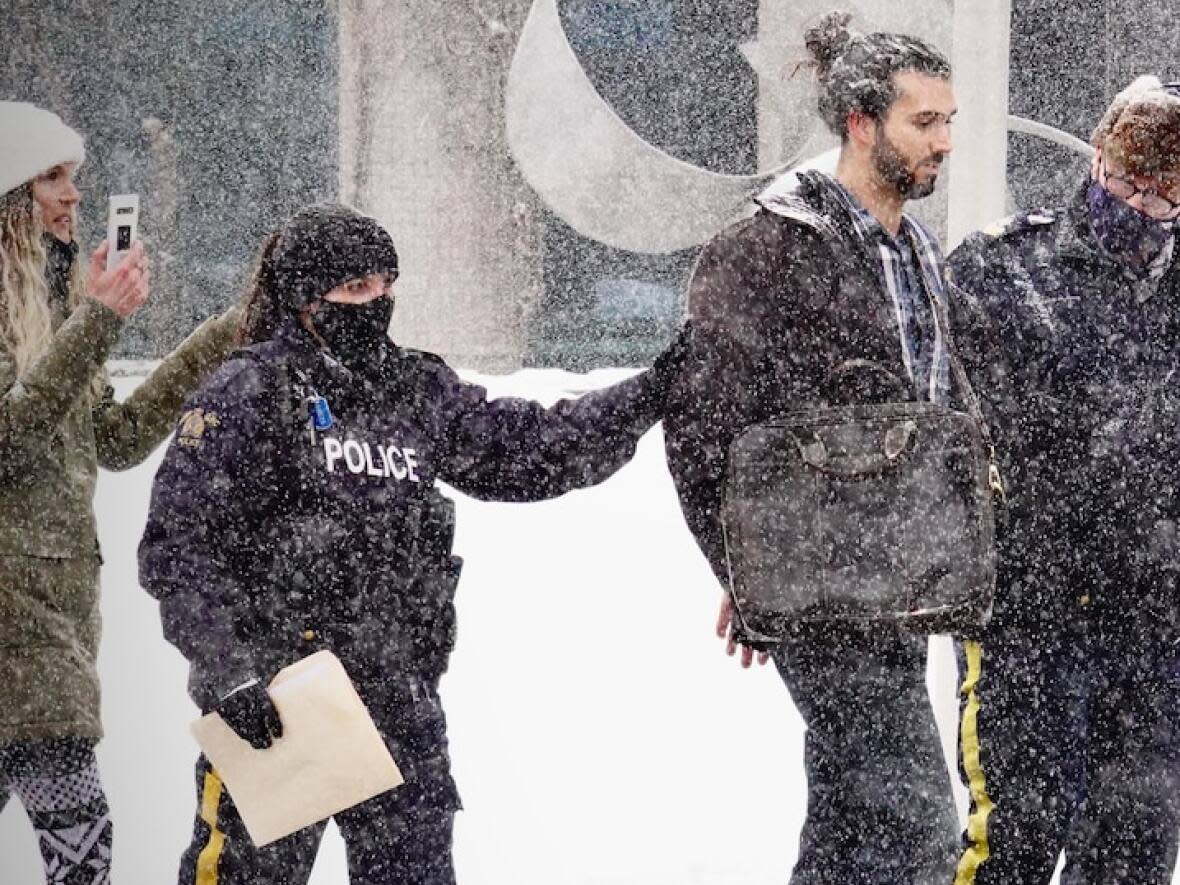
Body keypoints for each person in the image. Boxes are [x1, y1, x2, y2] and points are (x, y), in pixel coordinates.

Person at [137, 203, 684, 885]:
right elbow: (179, 546)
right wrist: (228, 669)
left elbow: (530, 448)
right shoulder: (249, 390)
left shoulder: (414, 388)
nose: (376, 302)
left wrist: (650, 393)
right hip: (278, 704)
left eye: (384, 284)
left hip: (399, 703)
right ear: (308, 300)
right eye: (354, 289)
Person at [662, 12, 962, 884]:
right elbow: (704, 428)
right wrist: (750, 576)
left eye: (948, 121)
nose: (944, 142)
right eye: (924, 122)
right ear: (863, 124)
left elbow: (934, 407)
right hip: (821, 583)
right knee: (913, 825)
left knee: (851, 826)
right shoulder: (767, 247)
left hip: (900, 583)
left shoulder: (915, 250)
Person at [0, 101, 243, 883]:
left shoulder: (57, 305)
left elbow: (117, 437)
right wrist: (97, 322)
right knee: (85, 845)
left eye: (76, 178)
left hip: (60, 613)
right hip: (17, 618)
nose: (73, 196)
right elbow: (7, 439)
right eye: (52, 178)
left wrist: (219, 337)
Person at [946, 76, 1180, 885]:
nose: (1139, 206)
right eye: (1126, 183)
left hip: (1153, 620)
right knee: (1013, 831)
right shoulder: (999, 269)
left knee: (1137, 843)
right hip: (1024, 613)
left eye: (1163, 197)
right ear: (1095, 155)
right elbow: (946, 439)